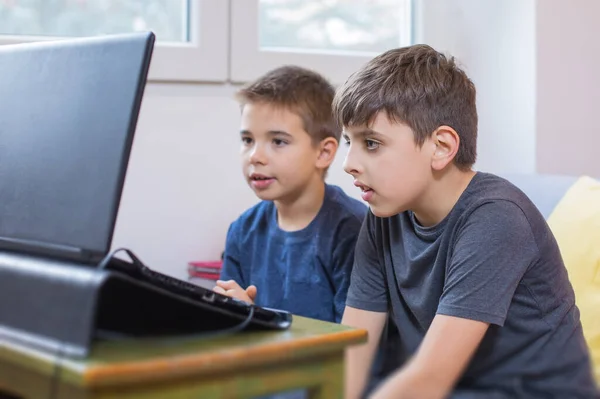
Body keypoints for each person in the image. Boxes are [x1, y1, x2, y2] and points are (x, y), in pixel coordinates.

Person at [334, 44, 598, 398]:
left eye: (371, 143)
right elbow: (353, 351)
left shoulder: (497, 218)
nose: (348, 162)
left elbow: (429, 380)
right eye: (348, 141)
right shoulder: (383, 216)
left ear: (441, 147)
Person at [214, 65, 366, 324]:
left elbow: (352, 342)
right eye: (248, 140)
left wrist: (256, 321)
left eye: (278, 141)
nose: (255, 156)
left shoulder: (354, 230)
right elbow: (225, 321)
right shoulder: (242, 231)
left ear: (323, 152)